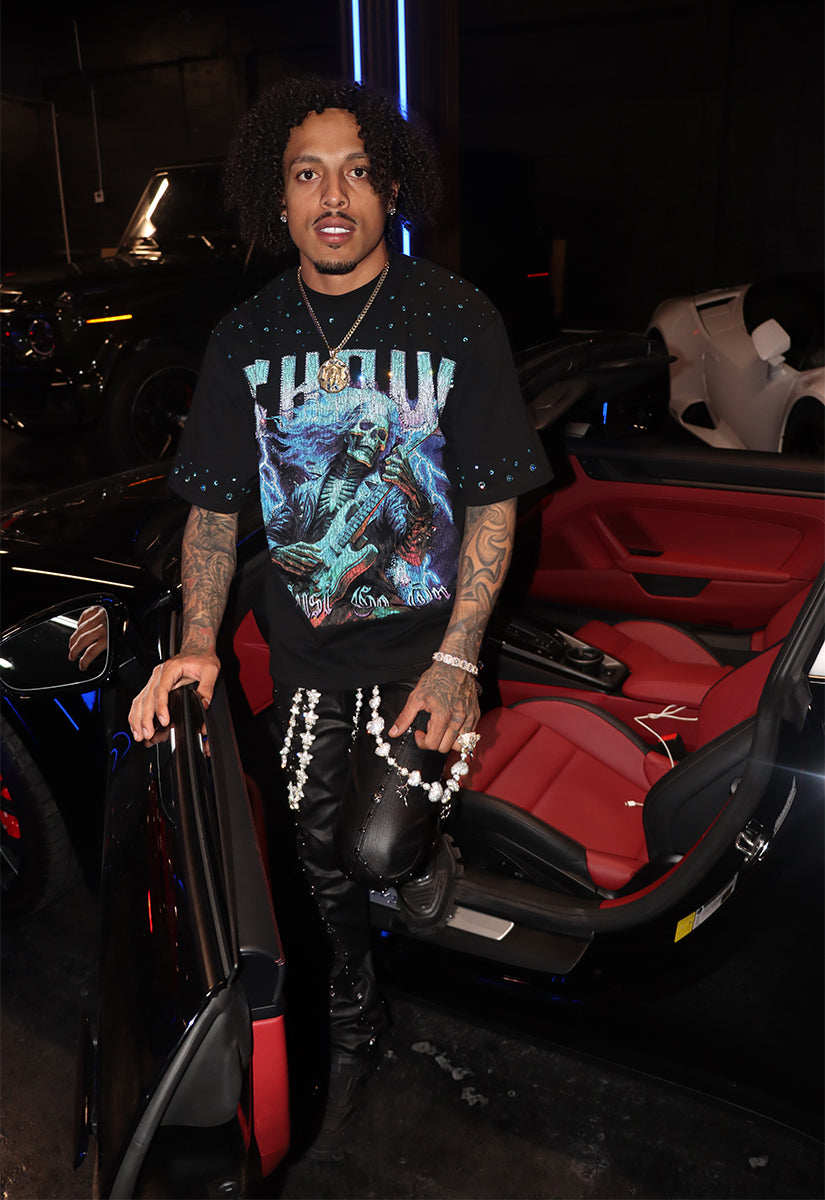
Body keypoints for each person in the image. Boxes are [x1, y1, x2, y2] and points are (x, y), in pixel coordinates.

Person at [128, 74, 551, 1159]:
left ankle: (421, 858)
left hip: (428, 652)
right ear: (277, 197)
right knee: (311, 862)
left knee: (372, 848)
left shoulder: (456, 317)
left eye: (358, 172)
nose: (333, 196)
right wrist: (196, 647)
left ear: (391, 190)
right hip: (311, 660)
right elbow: (214, 513)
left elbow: (492, 500)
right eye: (307, 173)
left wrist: (460, 660)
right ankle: (357, 1013)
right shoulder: (245, 338)